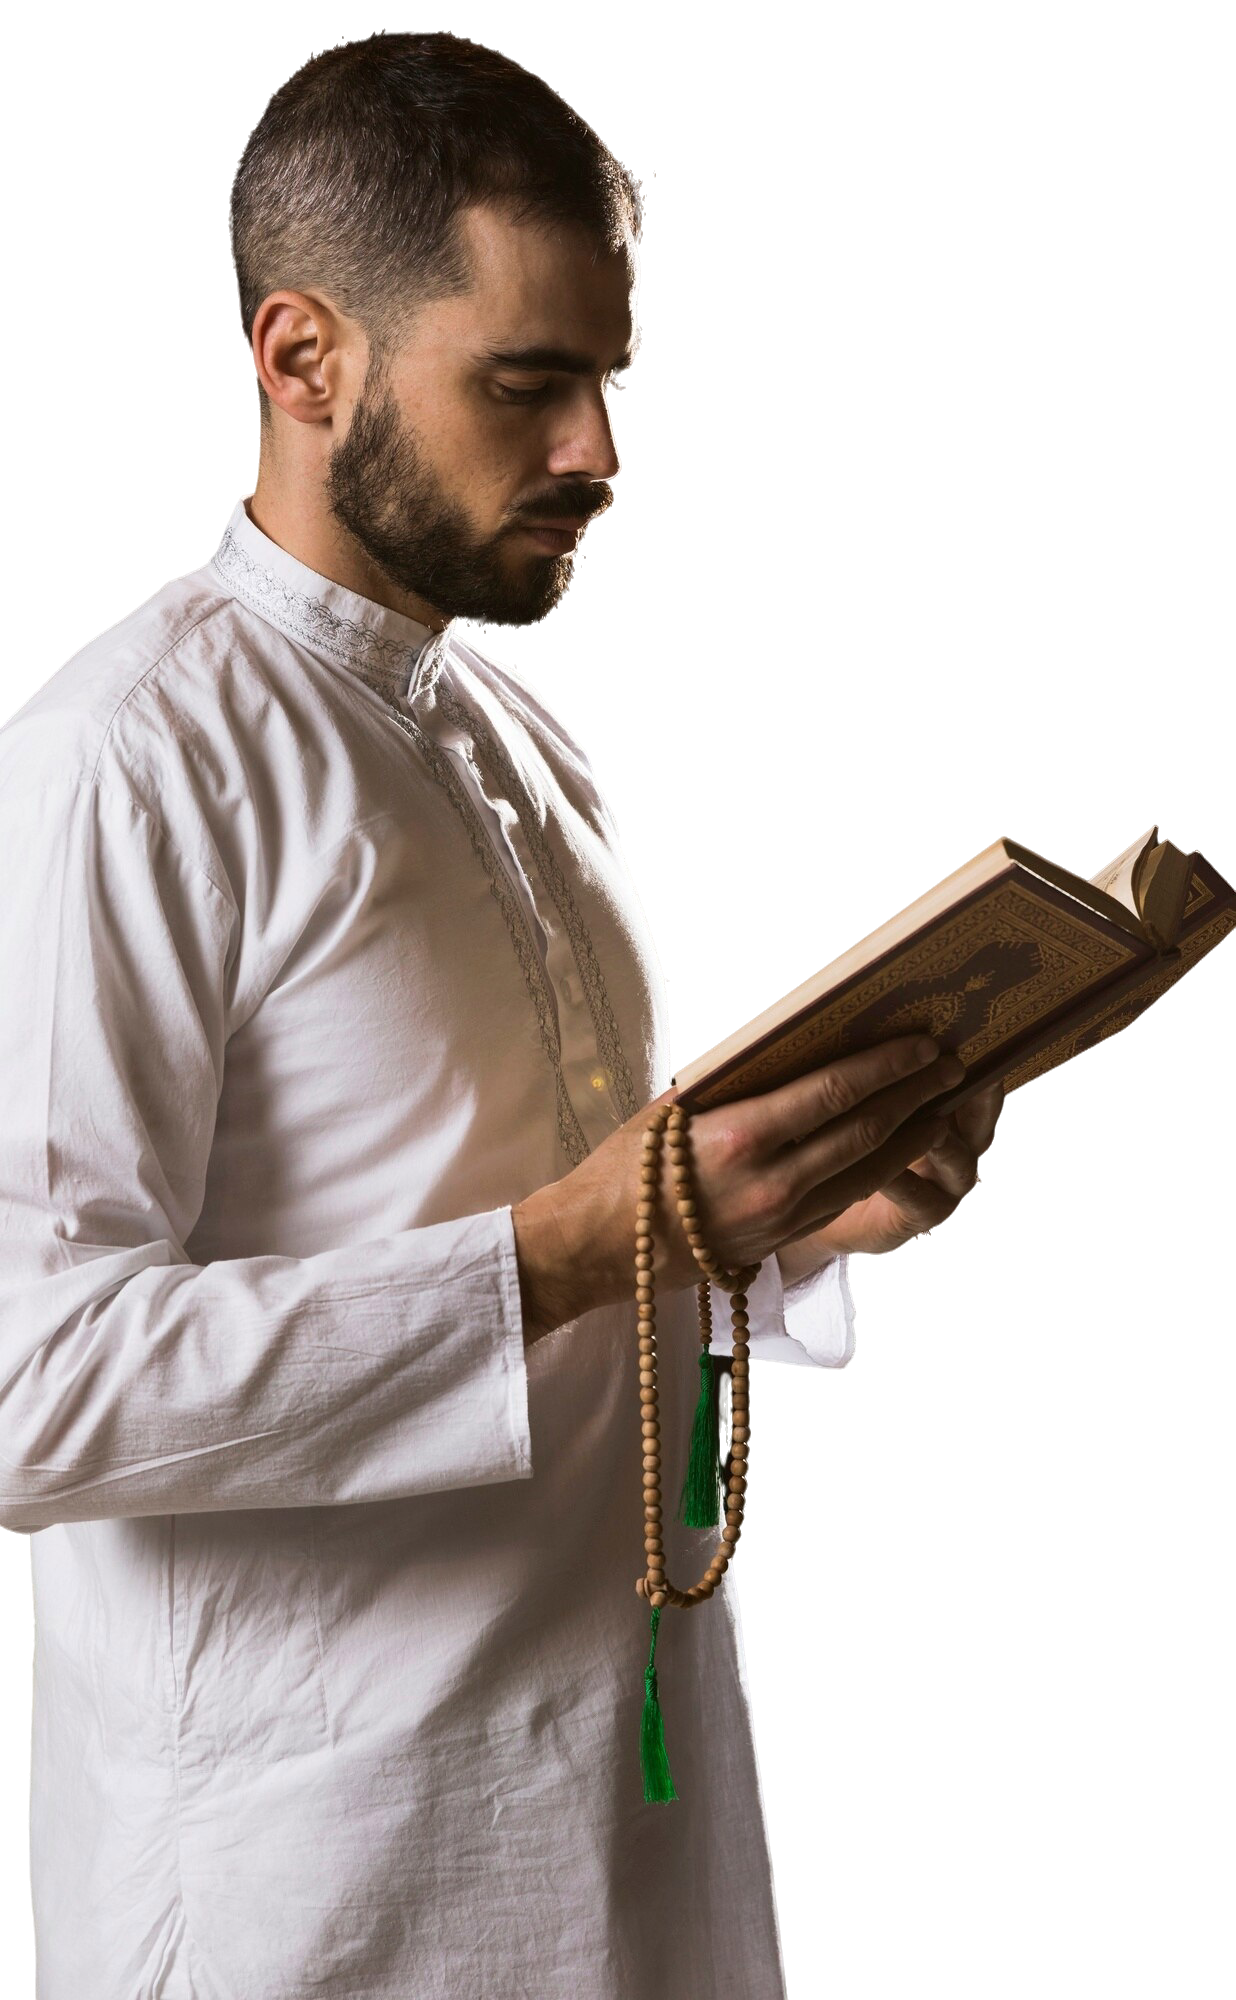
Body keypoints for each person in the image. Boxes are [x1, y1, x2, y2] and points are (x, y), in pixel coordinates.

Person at [0, 24, 1008, 1997]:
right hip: (311, 1901)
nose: (601, 459)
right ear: (301, 360)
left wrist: (804, 1208)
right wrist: (574, 1240)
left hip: (624, 1840)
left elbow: (583, 1228)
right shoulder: (114, 754)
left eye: (613, 388)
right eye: (531, 387)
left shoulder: (515, 721)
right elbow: (37, 1385)